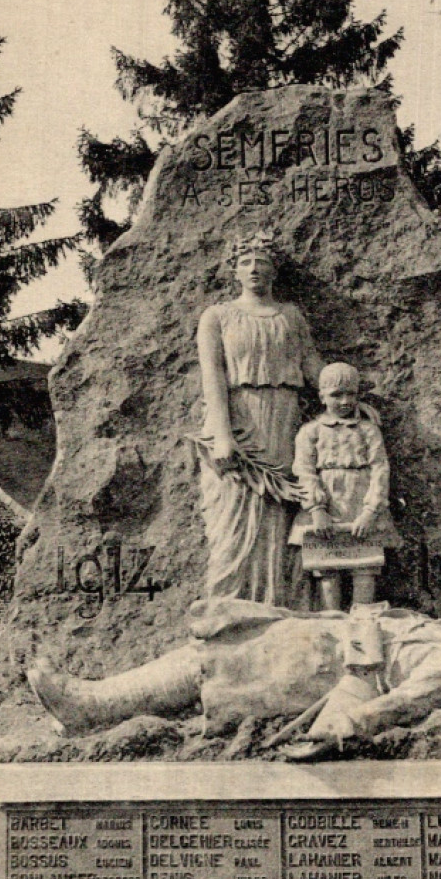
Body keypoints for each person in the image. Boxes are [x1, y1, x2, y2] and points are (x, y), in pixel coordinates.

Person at [194, 230, 322, 606]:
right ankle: (228, 606)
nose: (254, 269)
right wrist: (221, 436)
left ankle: (282, 606)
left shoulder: (290, 316)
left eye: (261, 262)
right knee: (232, 519)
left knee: (281, 514)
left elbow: (312, 365)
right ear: (234, 270)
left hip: (283, 421)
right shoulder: (217, 316)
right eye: (246, 262)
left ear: (274, 271)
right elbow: (213, 377)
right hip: (236, 421)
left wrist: (346, 395)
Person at [289, 362, 401, 609]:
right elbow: (304, 472)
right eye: (336, 395)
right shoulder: (310, 432)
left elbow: (380, 470)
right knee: (327, 575)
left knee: (365, 571)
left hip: (361, 510)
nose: (344, 401)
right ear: (322, 397)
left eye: (350, 394)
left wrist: (370, 512)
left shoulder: (369, 431)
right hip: (326, 514)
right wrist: (317, 510)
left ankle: (363, 630)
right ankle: (333, 629)